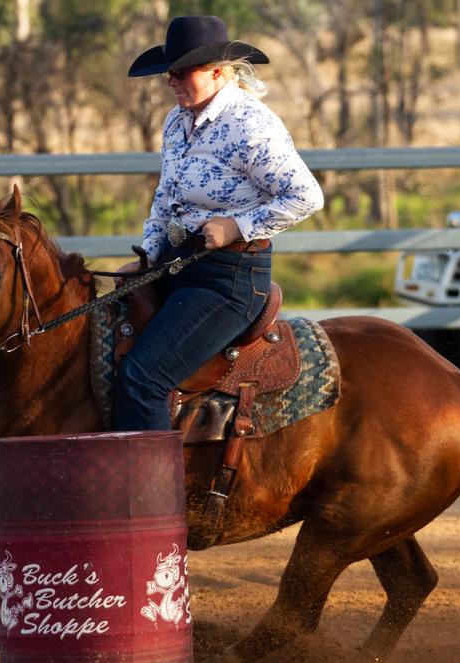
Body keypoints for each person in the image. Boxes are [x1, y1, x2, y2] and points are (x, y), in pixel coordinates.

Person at [114, 15, 324, 431]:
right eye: (167, 73)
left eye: (180, 72)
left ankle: (155, 494)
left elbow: (306, 196)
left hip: (227, 279)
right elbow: (166, 198)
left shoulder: (249, 125)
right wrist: (148, 256)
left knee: (144, 378)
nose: (170, 80)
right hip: (177, 263)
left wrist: (236, 227)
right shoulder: (176, 122)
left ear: (216, 72)